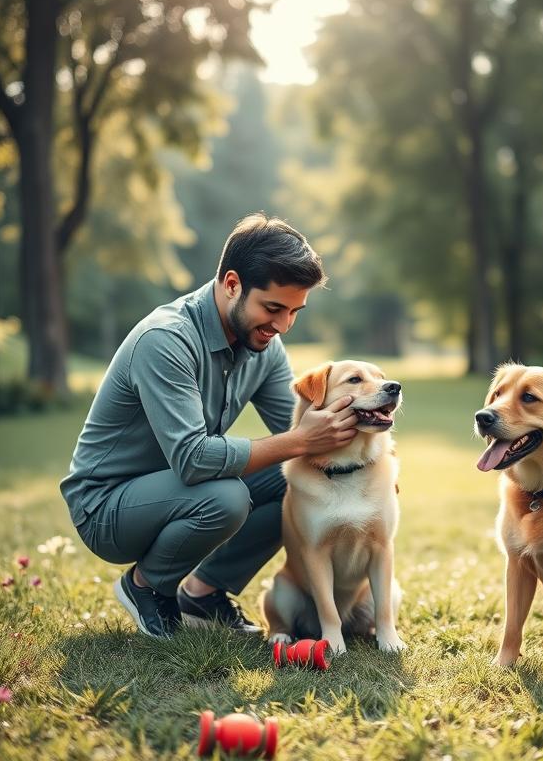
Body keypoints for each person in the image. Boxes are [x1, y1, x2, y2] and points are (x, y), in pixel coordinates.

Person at [60, 214, 358, 638]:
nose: (283, 325)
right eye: (273, 308)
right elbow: (194, 460)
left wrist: (366, 464)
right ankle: (146, 586)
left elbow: (302, 434)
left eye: (294, 311)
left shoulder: (265, 345)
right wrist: (300, 440)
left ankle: (203, 591)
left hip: (183, 489)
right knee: (227, 496)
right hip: (107, 508)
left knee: (299, 478)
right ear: (232, 284)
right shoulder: (166, 339)